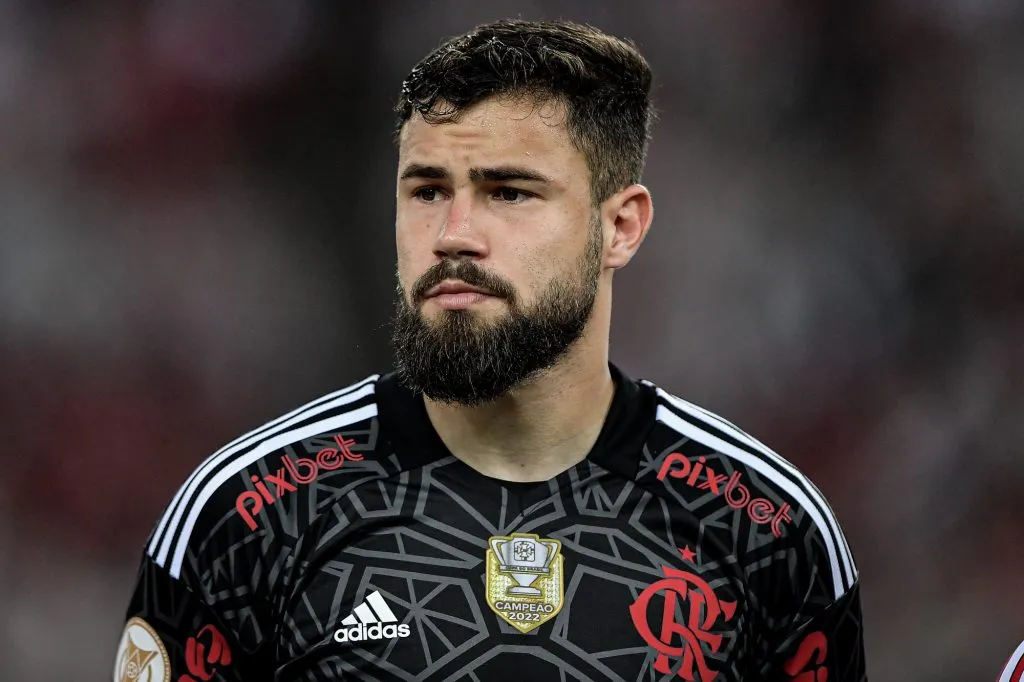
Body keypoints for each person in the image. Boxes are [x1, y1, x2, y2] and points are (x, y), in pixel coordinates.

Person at [114, 18, 867, 682]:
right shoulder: (246, 515)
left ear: (621, 227)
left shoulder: (767, 528)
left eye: (509, 192)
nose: (454, 236)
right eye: (427, 190)